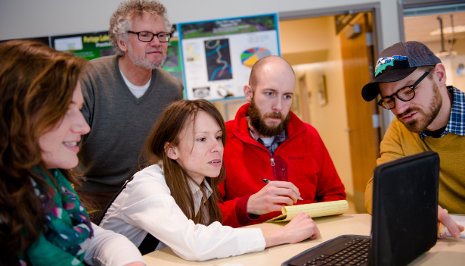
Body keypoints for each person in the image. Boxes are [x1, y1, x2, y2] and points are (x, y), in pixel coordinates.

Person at [99, 99, 320, 260]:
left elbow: (213, 236)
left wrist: (289, 231)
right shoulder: (147, 186)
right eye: (202, 139)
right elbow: (194, 243)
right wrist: (284, 234)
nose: (217, 148)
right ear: (172, 150)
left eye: (218, 137)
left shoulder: (201, 184)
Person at [0, 40, 144, 265]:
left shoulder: (49, 183)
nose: (84, 127)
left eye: (78, 109)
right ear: (16, 116)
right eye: (65, 110)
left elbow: (95, 240)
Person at [77, 0, 183, 213]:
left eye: (162, 35)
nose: (157, 42)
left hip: (149, 194)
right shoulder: (90, 77)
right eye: (145, 35)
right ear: (122, 42)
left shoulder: (172, 88)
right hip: (94, 197)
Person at [218, 55, 346, 227]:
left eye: (287, 96)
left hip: (307, 241)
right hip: (253, 246)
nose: (278, 106)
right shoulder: (221, 139)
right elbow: (206, 214)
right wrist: (248, 206)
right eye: (270, 93)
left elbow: (335, 196)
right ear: (249, 93)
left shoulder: (309, 136)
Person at [361, 41, 464, 238]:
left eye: (408, 91)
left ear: (439, 76)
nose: (399, 109)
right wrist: (415, 209)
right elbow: (377, 190)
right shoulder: (400, 129)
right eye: (389, 100)